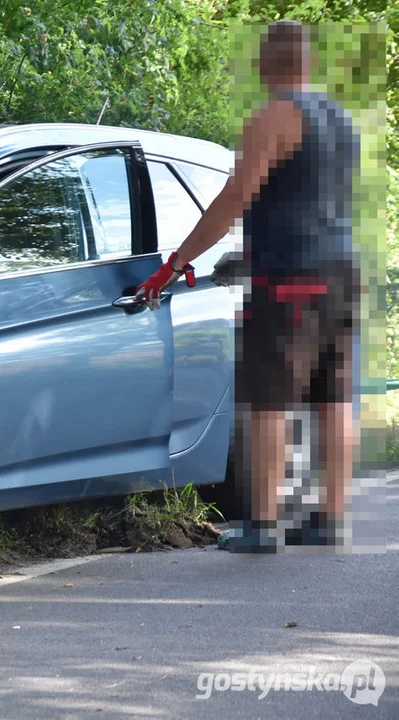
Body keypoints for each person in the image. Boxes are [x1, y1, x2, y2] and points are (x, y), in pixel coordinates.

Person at [136, 19, 360, 553]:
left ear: (268, 63)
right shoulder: (340, 120)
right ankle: (330, 519)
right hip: (341, 274)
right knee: (333, 401)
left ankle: (261, 526)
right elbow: (306, 205)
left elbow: (236, 198)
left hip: (290, 283)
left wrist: (177, 261)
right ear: (308, 63)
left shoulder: (275, 116)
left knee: (269, 403)